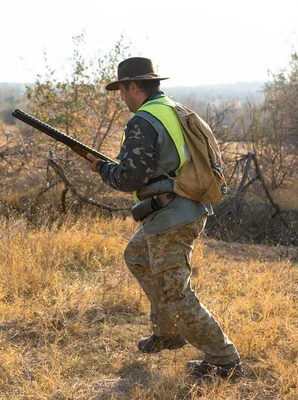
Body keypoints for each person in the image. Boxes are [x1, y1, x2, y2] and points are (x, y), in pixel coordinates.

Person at [85, 57, 243, 379]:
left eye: (122, 90)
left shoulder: (143, 120)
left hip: (172, 216)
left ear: (133, 86)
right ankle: (168, 331)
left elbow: (130, 177)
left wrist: (102, 168)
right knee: (137, 256)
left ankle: (224, 360)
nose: (122, 98)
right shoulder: (172, 109)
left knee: (176, 291)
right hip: (182, 208)